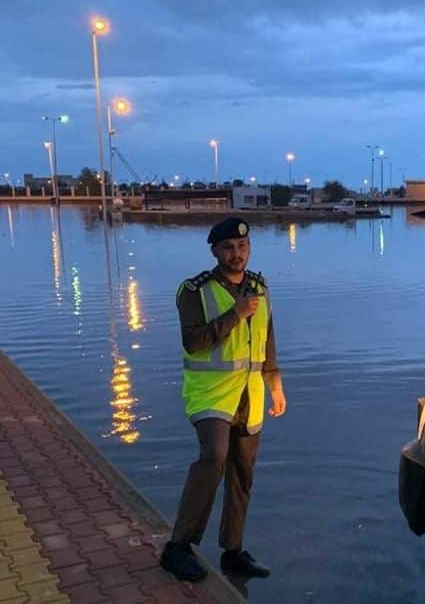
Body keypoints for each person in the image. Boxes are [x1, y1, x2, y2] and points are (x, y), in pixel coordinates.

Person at [160, 217, 286, 581]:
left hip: (250, 394)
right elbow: (193, 341)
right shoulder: (194, 291)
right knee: (212, 458)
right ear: (215, 250)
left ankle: (233, 551)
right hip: (210, 395)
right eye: (229, 247)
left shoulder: (259, 287)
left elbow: (267, 338)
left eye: (243, 247)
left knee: (243, 472)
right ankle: (177, 547)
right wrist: (235, 314)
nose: (237, 254)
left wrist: (275, 383)